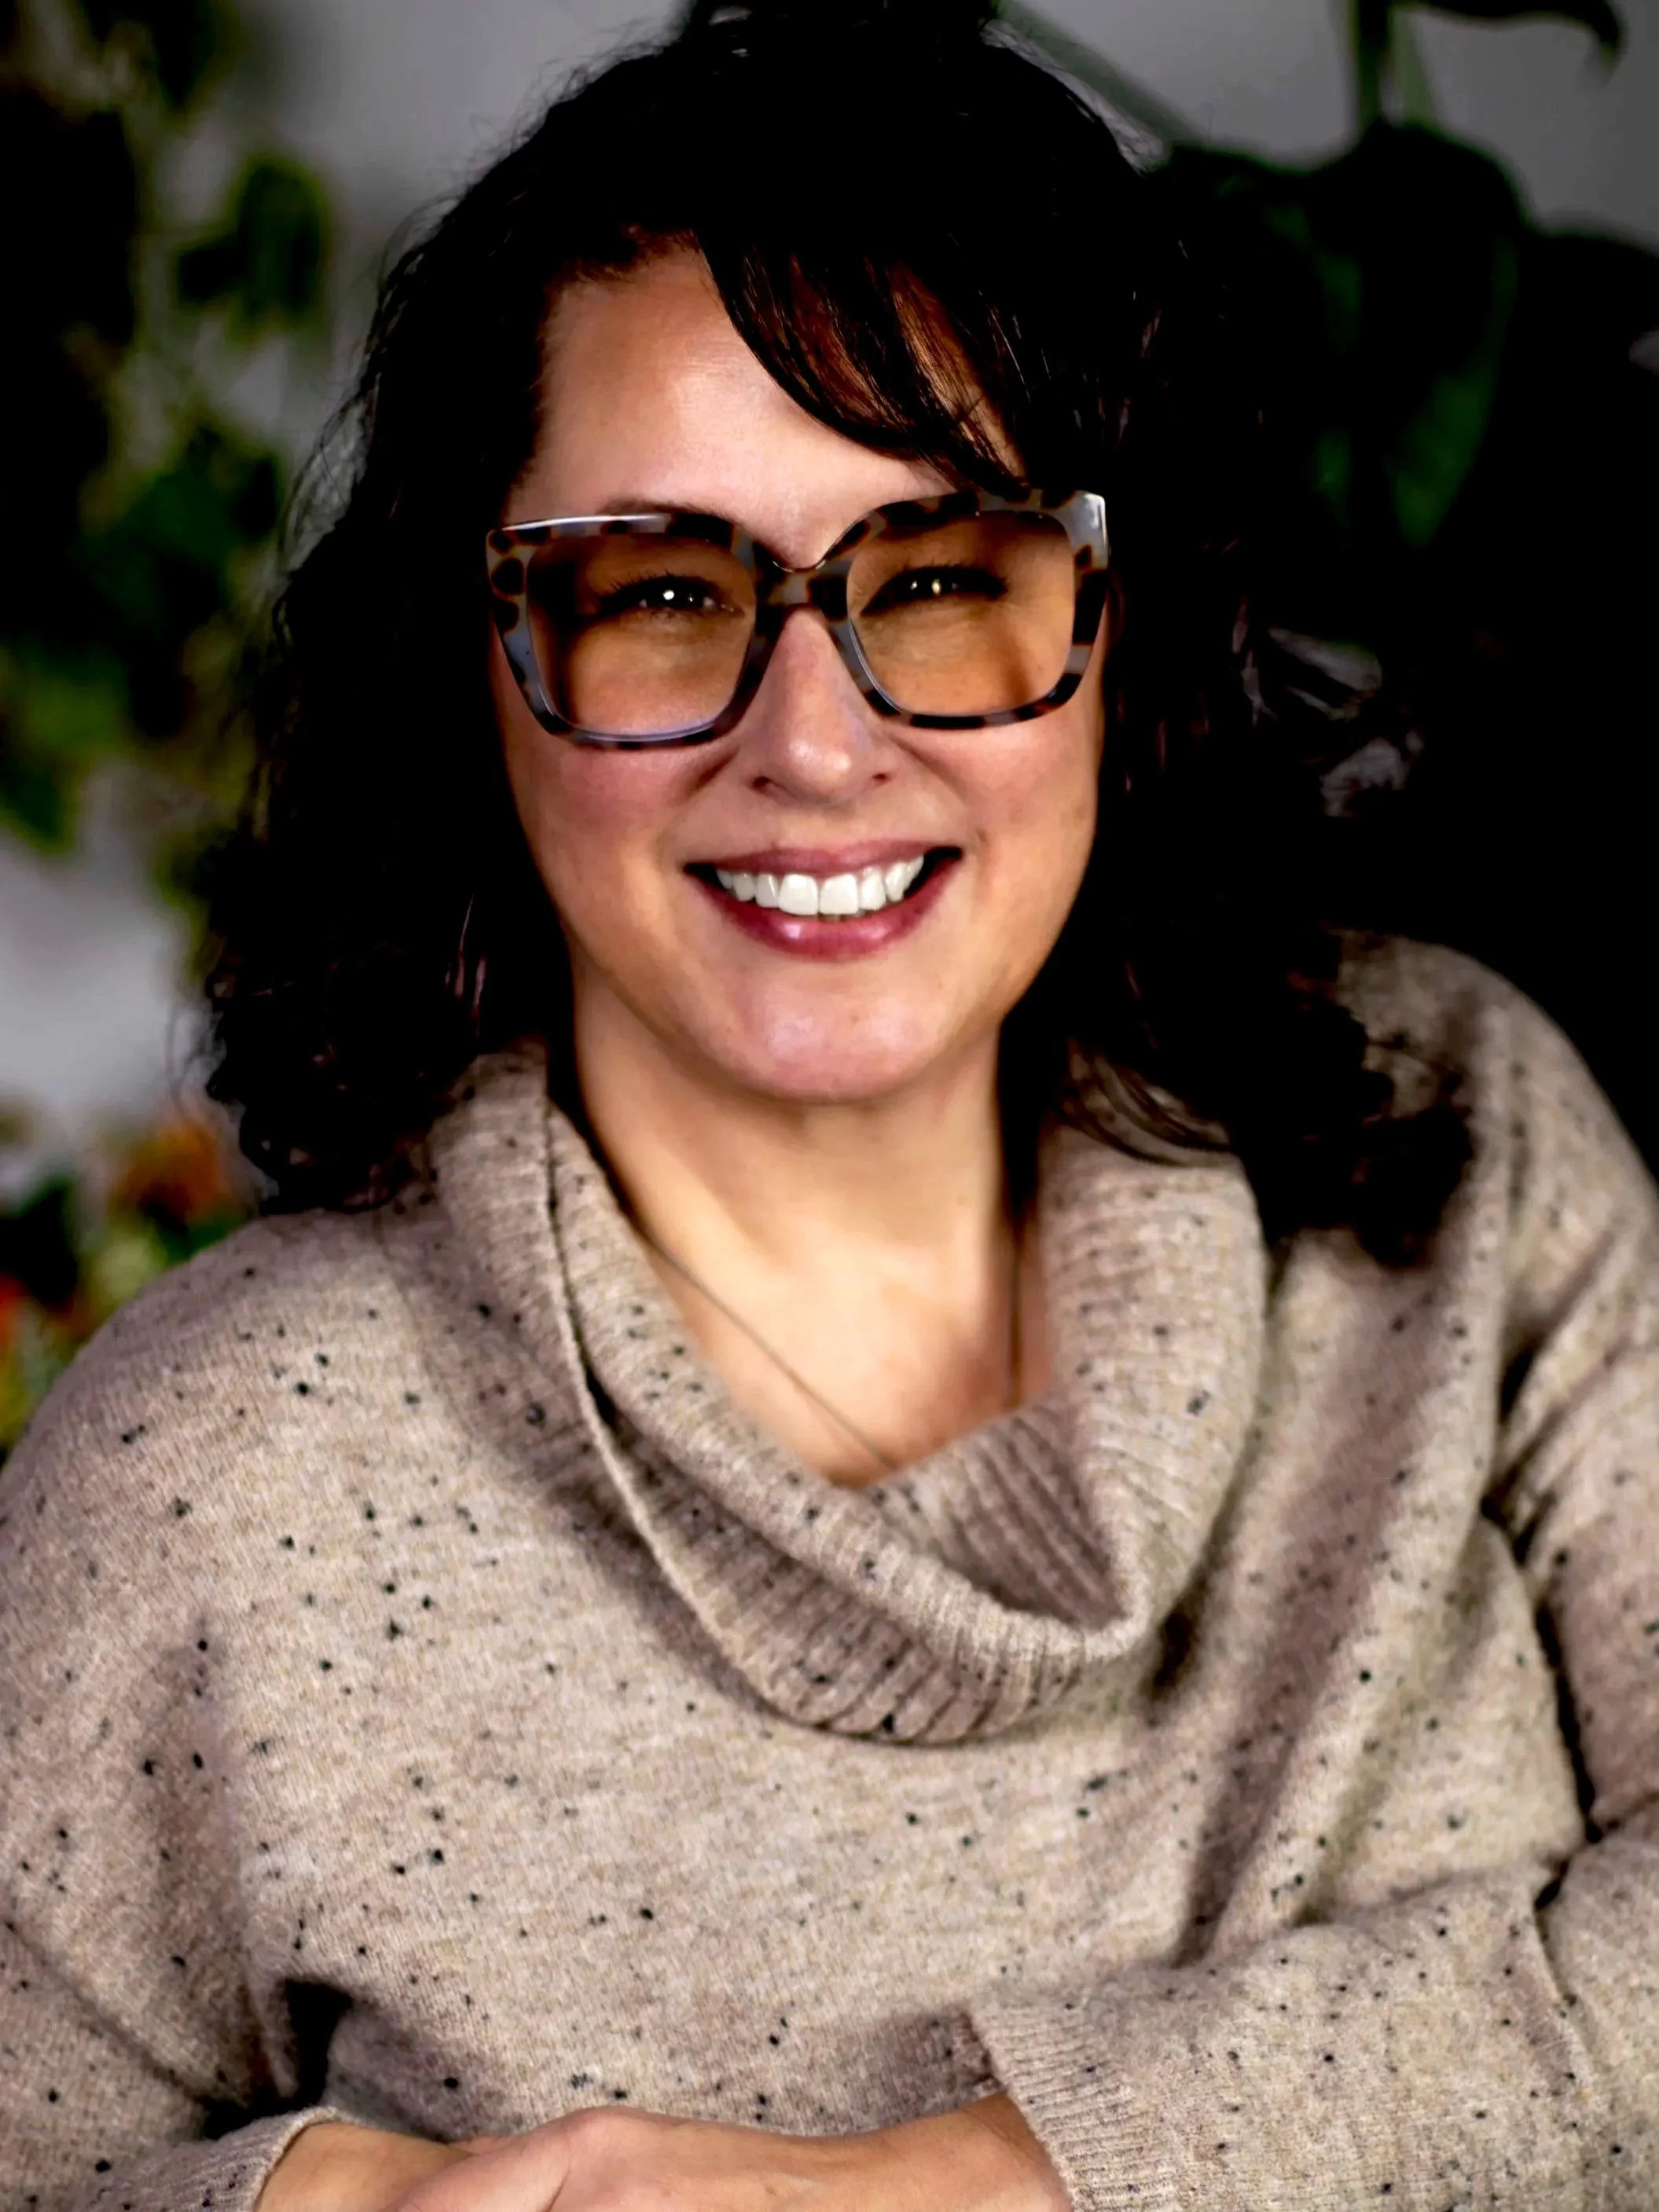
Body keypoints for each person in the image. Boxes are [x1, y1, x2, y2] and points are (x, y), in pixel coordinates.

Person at [3, 2, 1657, 2206]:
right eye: (661, 594)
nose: (811, 740)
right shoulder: (200, 1477)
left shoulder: (1472, 1141)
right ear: (476, 667)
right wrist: (318, 2200)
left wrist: (980, 2174)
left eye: (944, 577)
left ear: (1123, 622)